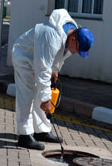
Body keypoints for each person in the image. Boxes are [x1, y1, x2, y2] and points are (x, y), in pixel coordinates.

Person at [12, 9, 94, 150]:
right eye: (77, 49)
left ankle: (41, 131)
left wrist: (55, 70)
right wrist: (46, 98)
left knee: (40, 95)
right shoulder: (52, 36)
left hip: (39, 60)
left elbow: (59, 54)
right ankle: (24, 136)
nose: (75, 52)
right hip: (24, 57)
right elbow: (43, 67)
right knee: (27, 95)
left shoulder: (71, 36)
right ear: (73, 39)